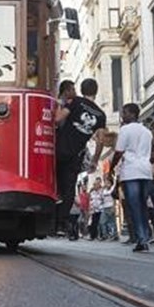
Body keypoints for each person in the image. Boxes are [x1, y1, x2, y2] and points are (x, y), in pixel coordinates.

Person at [54, 79, 107, 235]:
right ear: (96, 91)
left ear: (82, 90)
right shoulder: (101, 115)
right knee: (70, 188)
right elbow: (100, 141)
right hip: (76, 155)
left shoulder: (75, 102)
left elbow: (58, 119)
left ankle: (52, 212)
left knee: (56, 182)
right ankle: (61, 222)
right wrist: (94, 161)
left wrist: (58, 104)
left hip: (60, 148)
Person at [111, 103, 154, 252]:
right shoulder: (147, 132)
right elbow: (151, 154)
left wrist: (111, 168)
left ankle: (142, 239)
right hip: (145, 171)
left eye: (125, 113)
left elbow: (119, 151)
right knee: (143, 205)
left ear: (132, 114)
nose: (122, 116)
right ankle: (145, 235)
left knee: (134, 206)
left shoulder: (125, 130)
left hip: (131, 171)